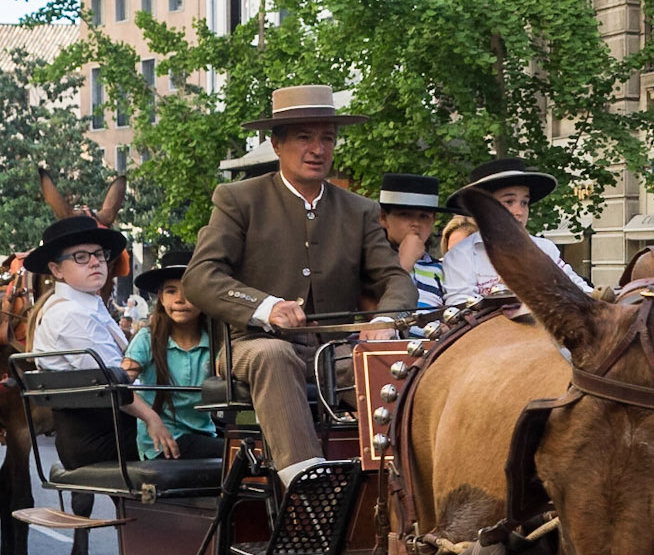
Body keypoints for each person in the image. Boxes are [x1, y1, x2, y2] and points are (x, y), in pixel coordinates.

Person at [183, 86, 417, 487]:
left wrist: (386, 318)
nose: (318, 149)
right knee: (274, 354)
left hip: (331, 350)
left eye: (327, 138)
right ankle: (307, 487)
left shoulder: (359, 210)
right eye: (305, 137)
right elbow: (200, 277)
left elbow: (395, 279)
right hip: (251, 345)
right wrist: (266, 306)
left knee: (386, 364)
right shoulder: (239, 199)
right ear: (277, 144)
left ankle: (404, 483)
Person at [27, 215, 174, 472]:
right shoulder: (71, 314)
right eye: (81, 257)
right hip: (101, 439)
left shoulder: (87, 305)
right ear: (57, 269)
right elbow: (114, 381)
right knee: (226, 452)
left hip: (106, 432)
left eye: (99, 254)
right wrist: (153, 417)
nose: (95, 262)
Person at [439, 158, 588, 308]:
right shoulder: (461, 255)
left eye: (524, 203)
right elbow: (460, 309)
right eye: (509, 202)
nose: (520, 212)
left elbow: (577, 288)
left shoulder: (544, 248)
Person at [121, 247, 220, 462]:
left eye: (189, 291)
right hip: (164, 442)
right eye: (171, 291)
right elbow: (119, 387)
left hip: (205, 435)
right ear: (161, 298)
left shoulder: (216, 341)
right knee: (239, 453)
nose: (180, 299)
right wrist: (151, 419)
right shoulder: (148, 338)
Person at [378, 174, 444, 315]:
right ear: (383, 218)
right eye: (405, 215)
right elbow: (373, 307)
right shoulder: (370, 261)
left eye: (424, 216)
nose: (416, 223)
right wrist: (406, 261)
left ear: (433, 220)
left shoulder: (442, 270)